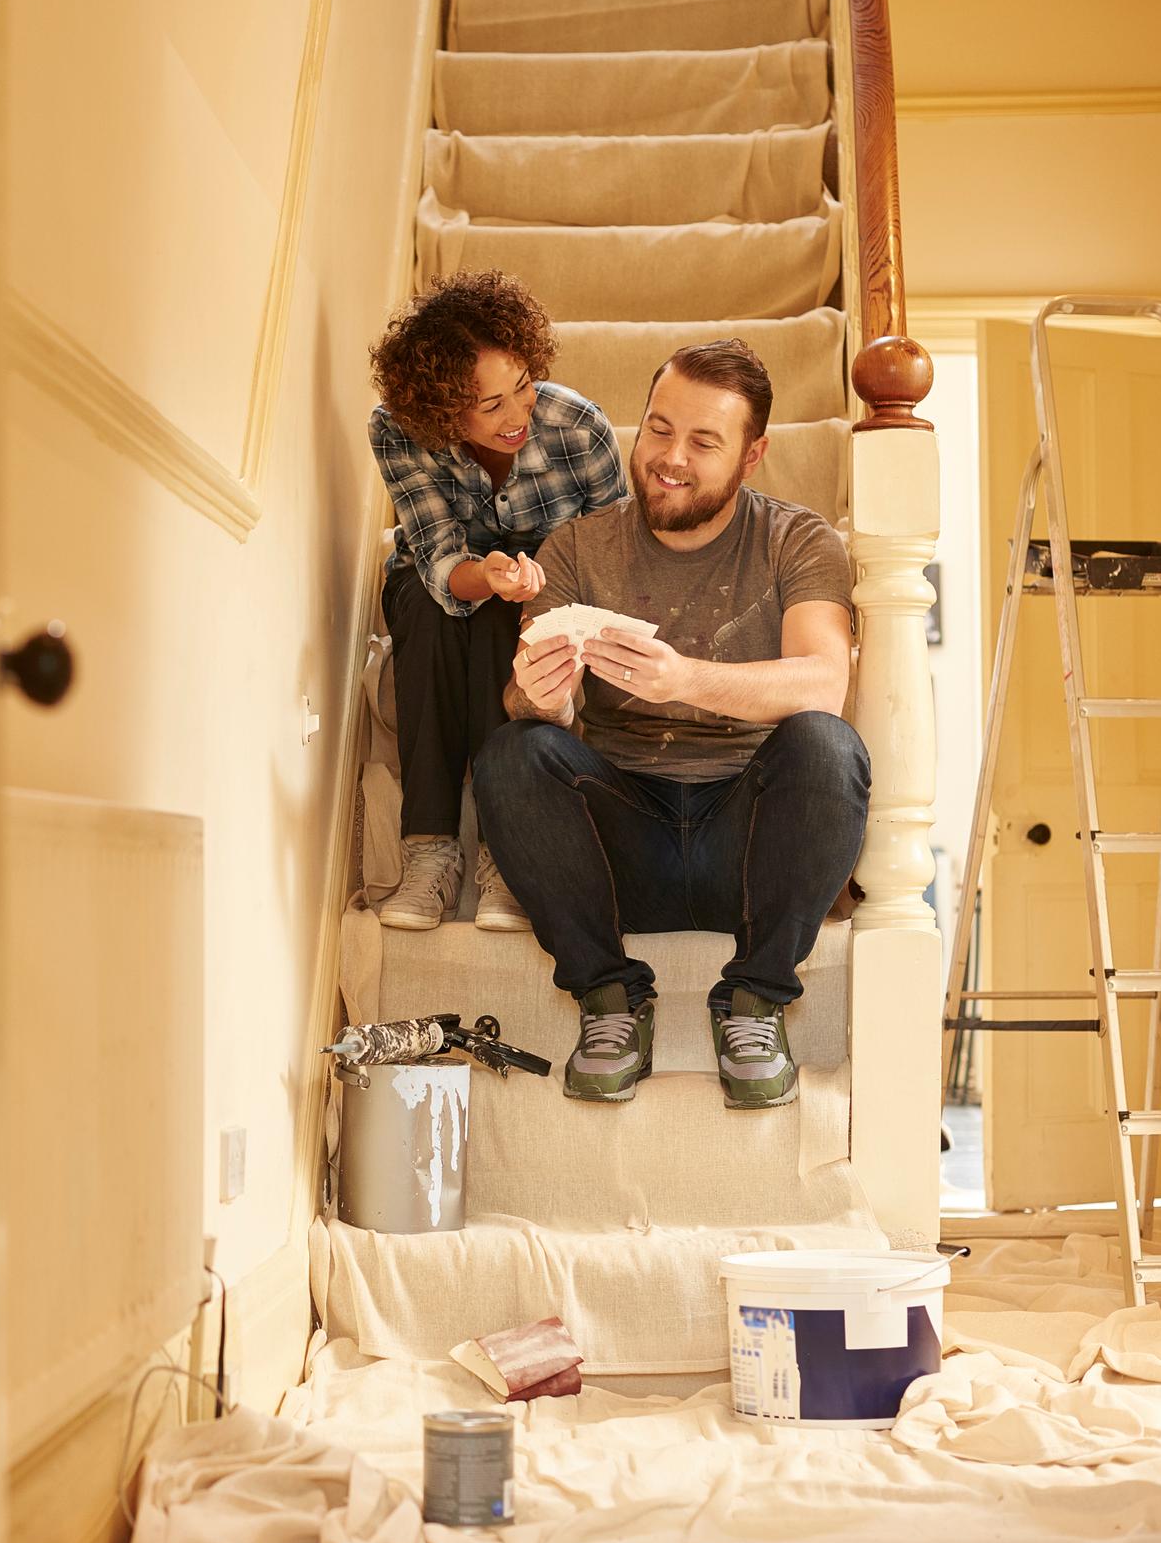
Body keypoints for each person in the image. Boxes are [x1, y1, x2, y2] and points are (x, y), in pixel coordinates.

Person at [472, 340, 868, 1110]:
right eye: (657, 429)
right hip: (624, 847)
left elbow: (825, 680)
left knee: (827, 744)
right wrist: (542, 697)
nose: (669, 458)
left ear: (752, 457)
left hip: (752, 848)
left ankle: (754, 1002)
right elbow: (531, 711)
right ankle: (610, 1001)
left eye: (703, 441)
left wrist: (684, 678)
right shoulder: (580, 546)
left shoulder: (798, 540)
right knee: (512, 752)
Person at [366, 271, 629, 932]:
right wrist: (491, 576)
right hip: (442, 583)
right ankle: (428, 851)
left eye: (524, 388)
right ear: (441, 409)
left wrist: (536, 596)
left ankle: (505, 855)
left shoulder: (578, 430)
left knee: (506, 627)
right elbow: (436, 556)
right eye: (491, 406)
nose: (518, 416)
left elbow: (610, 562)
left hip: (547, 594)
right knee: (430, 613)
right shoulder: (399, 432)